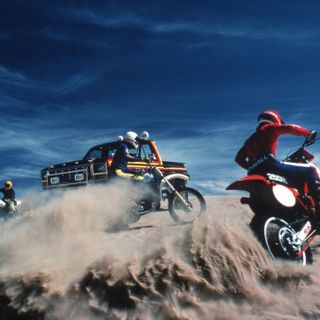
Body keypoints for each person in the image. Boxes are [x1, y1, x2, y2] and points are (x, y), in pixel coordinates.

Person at [235, 109, 319, 213]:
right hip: (269, 164)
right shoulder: (269, 128)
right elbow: (291, 128)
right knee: (310, 171)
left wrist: (253, 165)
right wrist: (308, 133)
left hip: (253, 171)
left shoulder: (251, 139)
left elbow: (238, 158)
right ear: (275, 119)